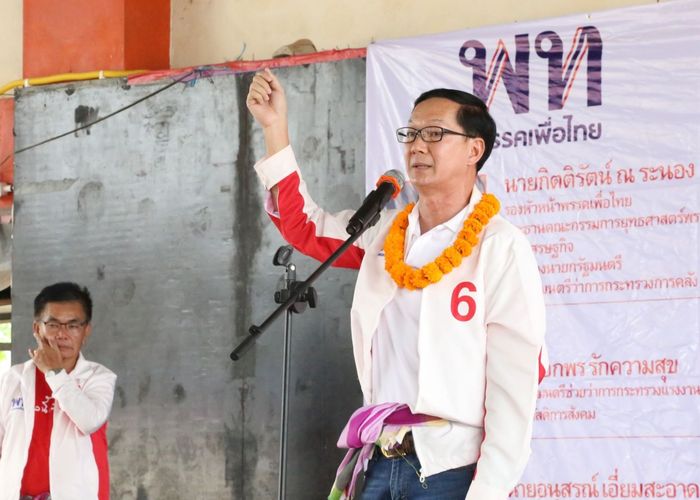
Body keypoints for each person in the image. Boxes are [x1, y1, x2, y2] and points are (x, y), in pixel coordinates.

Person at [247, 69, 547, 500]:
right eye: (410, 133)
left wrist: (488, 490)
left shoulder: (501, 246)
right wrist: (275, 129)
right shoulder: (384, 233)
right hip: (379, 461)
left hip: (452, 469)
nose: (417, 145)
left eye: (435, 133)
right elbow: (304, 226)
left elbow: (516, 385)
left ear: (474, 150)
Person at [0, 282, 116, 500]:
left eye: (73, 326)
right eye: (53, 325)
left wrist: (55, 372)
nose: (62, 334)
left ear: (86, 331)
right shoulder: (13, 378)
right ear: (37, 329)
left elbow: (89, 420)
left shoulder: (99, 377)